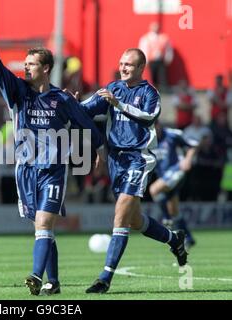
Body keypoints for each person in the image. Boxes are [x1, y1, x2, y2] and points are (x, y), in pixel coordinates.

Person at [0, 11, 104, 296]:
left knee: (44, 223)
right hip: (26, 171)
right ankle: (53, 282)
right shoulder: (18, 92)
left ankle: (35, 274)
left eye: (32, 64)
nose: (26, 68)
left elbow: (84, 122)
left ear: (46, 68)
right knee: (42, 229)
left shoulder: (62, 99)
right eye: (26, 63)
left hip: (53, 169)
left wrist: (99, 149)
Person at [80, 48, 188, 294]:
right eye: (121, 63)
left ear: (141, 68)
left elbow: (149, 118)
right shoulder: (113, 88)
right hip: (116, 159)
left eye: (129, 65)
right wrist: (70, 102)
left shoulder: (149, 93)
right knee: (135, 220)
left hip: (138, 159)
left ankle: (104, 278)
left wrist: (118, 104)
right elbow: (86, 109)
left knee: (120, 217)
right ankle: (174, 239)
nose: (123, 68)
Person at [149, 121, 198, 249]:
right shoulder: (148, 139)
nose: (154, 130)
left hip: (176, 170)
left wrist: (187, 159)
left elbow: (193, 145)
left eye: (155, 127)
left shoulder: (172, 134)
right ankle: (188, 237)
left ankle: (166, 219)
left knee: (154, 189)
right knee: (174, 210)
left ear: (159, 125)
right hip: (164, 176)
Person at [138, 22, 173, 90]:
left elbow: (168, 49)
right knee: (152, 76)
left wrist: (168, 58)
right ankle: (154, 90)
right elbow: (143, 49)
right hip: (151, 60)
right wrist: (144, 60)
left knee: (162, 76)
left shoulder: (164, 37)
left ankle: (163, 90)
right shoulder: (146, 38)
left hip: (161, 60)